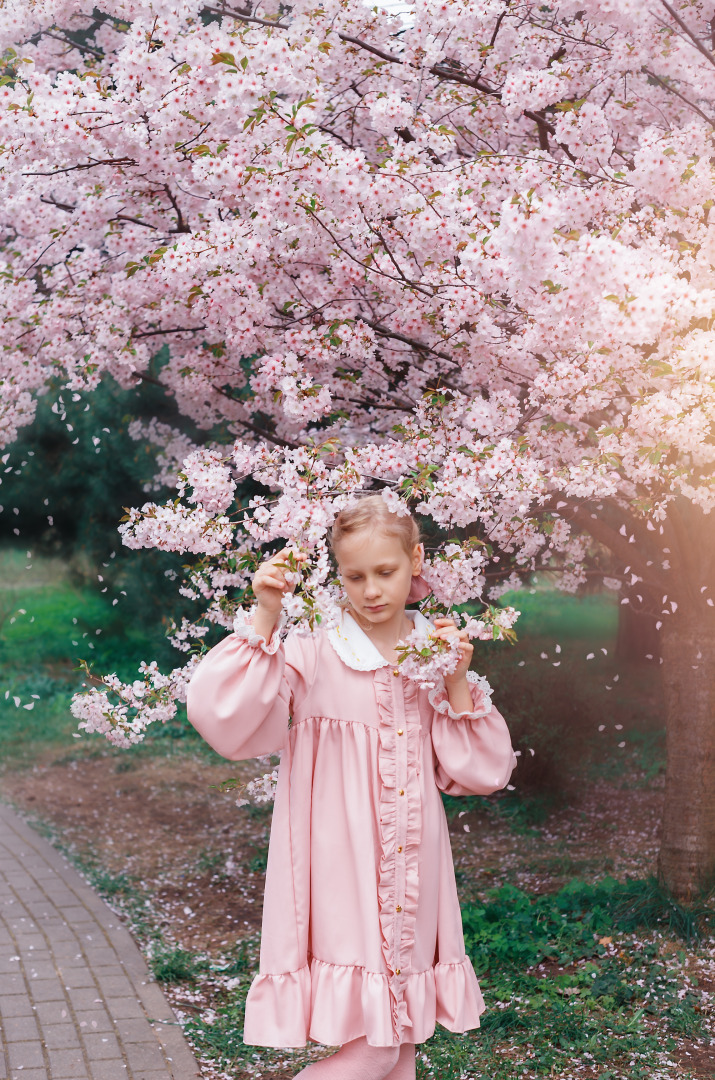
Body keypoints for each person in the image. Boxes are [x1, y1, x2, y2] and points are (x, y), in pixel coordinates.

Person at [187, 495, 516, 1080]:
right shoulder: (315, 645)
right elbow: (228, 719)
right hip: (338, 865)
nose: (370, 591)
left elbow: (477, 772)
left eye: (385, 572)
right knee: (380, 1047)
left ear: (415, 560)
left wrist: (458, 680)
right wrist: (265, 614)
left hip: (415, 866)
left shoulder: (433, 650)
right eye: (354, 576)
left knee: (403, 1041)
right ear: (336, 574)